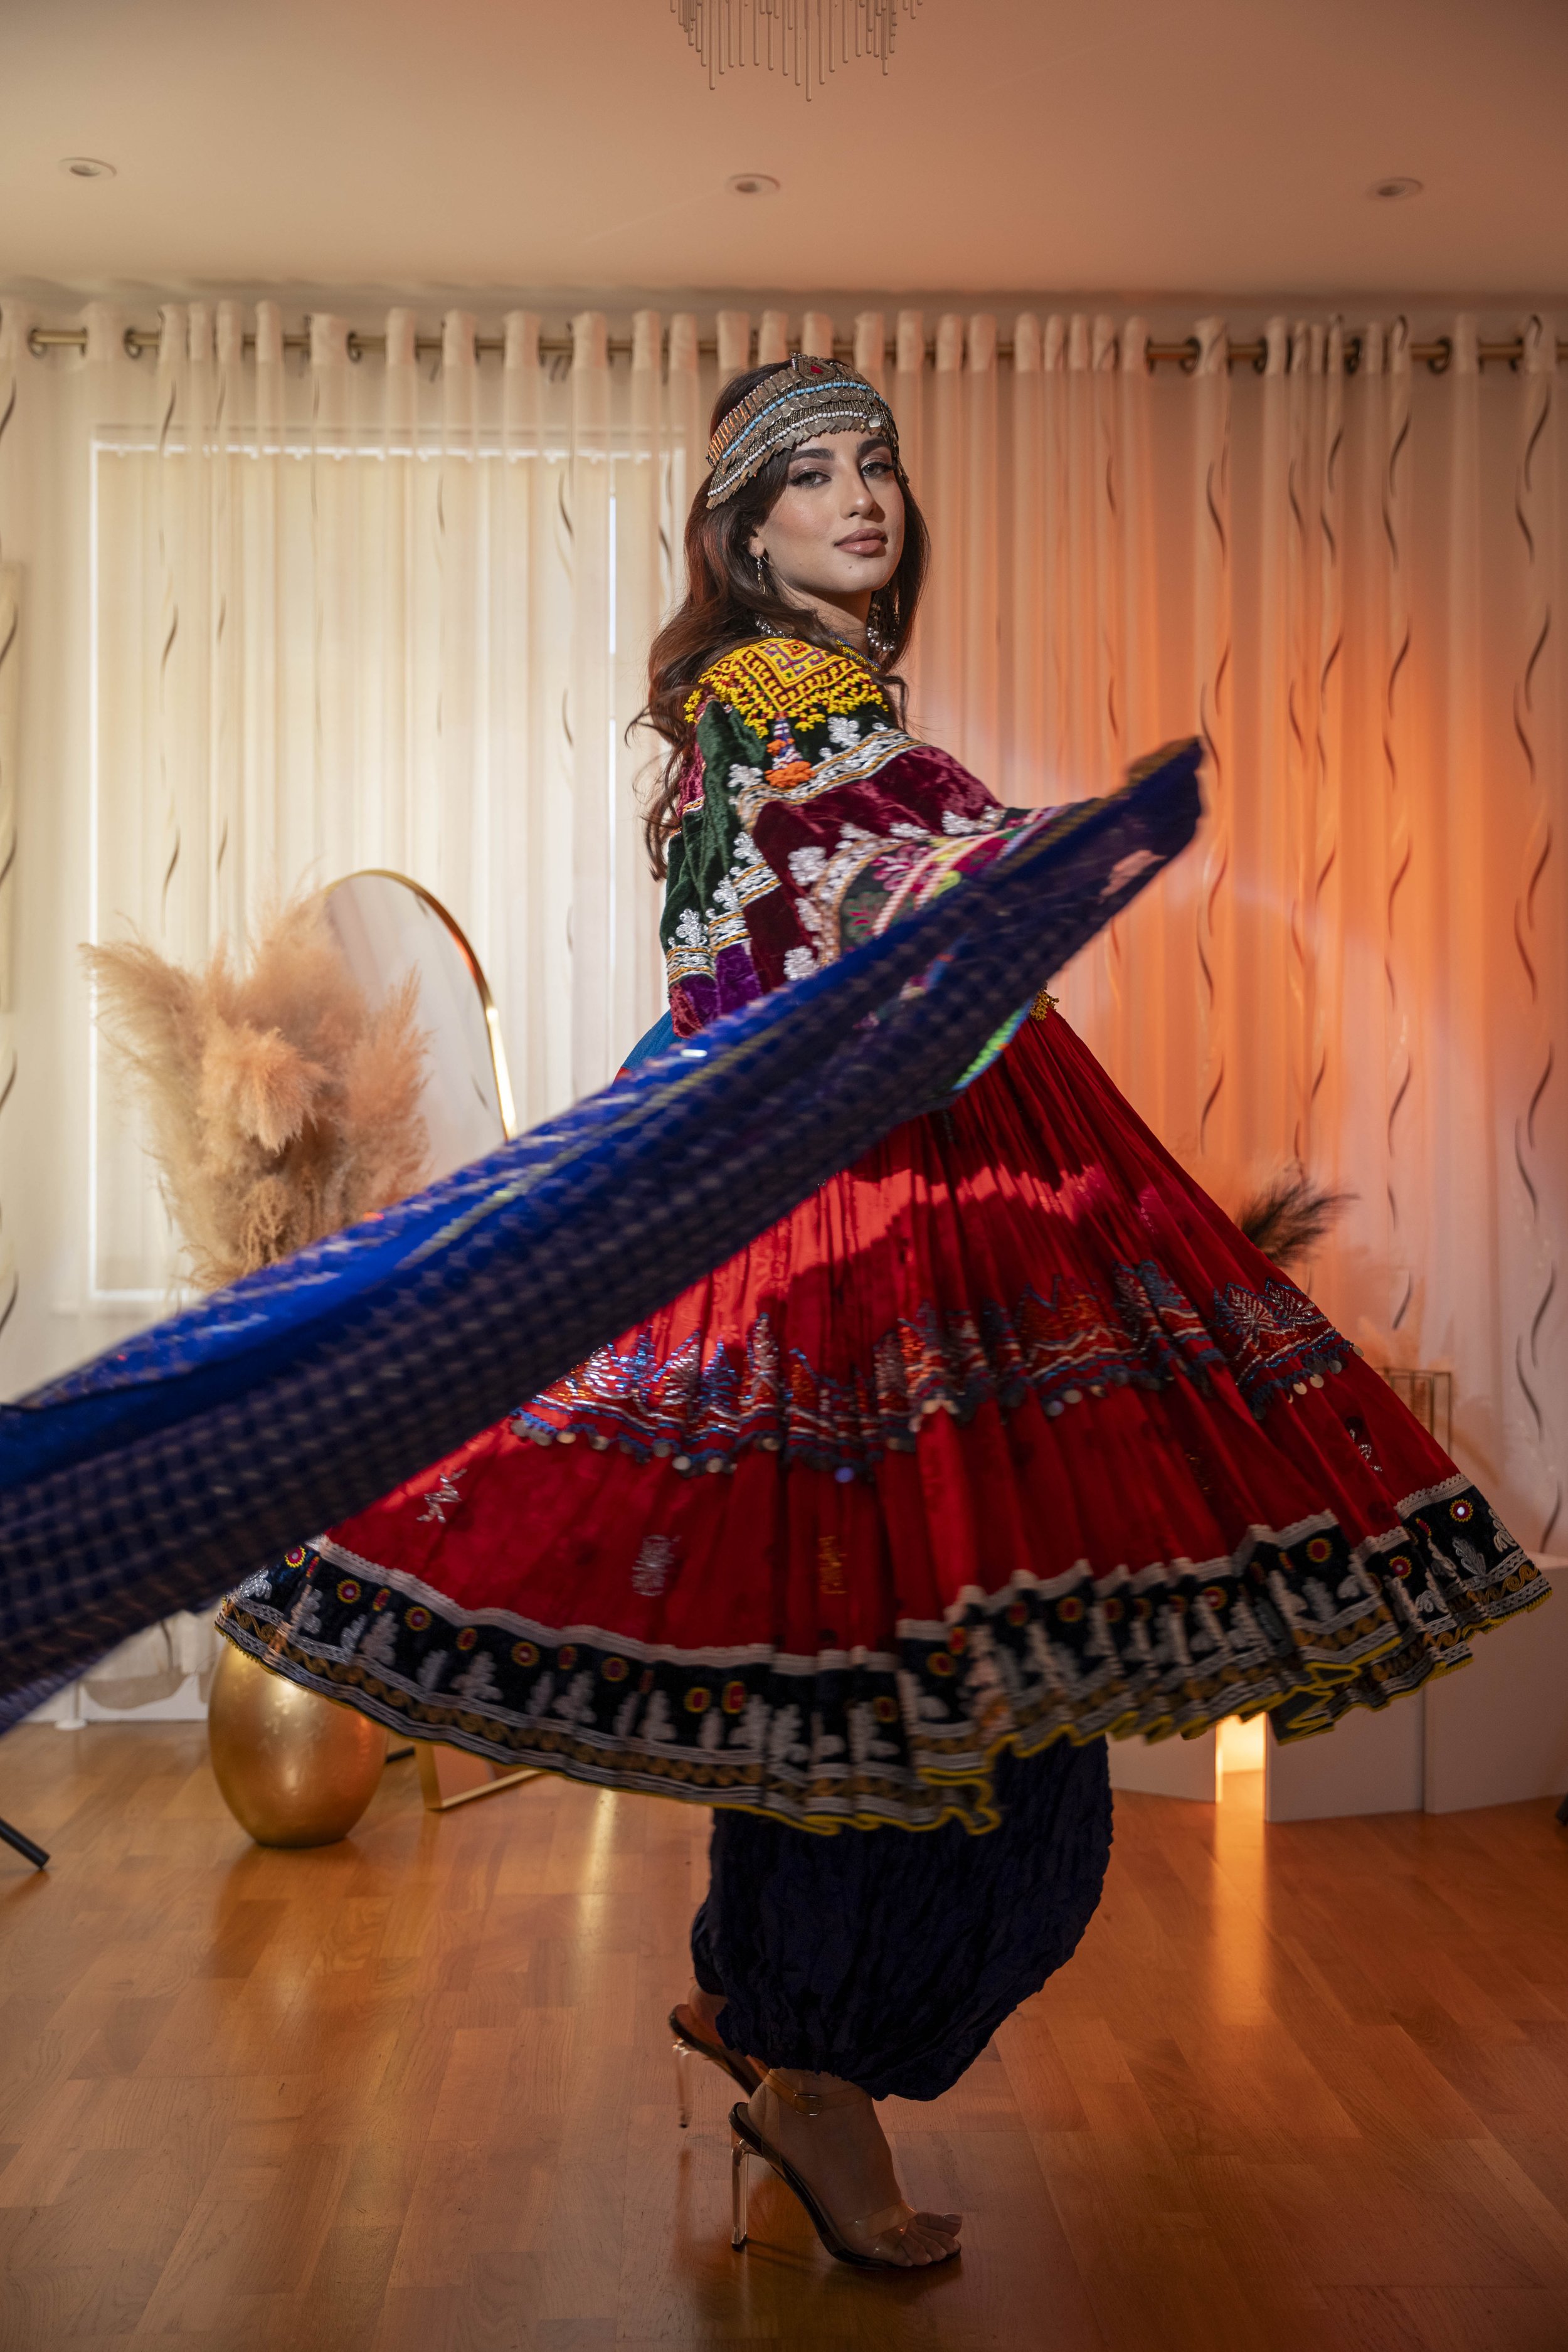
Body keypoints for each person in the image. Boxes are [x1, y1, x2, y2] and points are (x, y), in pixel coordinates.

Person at [220, 354, 1543, 2272]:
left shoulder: (787, 702)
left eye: (880, 469)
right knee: (970, 1725)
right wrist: (1027, 855)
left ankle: (774, 2016)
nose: (862, 498)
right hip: (861, 1223)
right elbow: (872, 867)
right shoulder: (778, 693)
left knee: (831, 1657)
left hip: (859, 1199)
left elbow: (839, 882)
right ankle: (816, 2069)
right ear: (743, 530)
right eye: (812, 476)